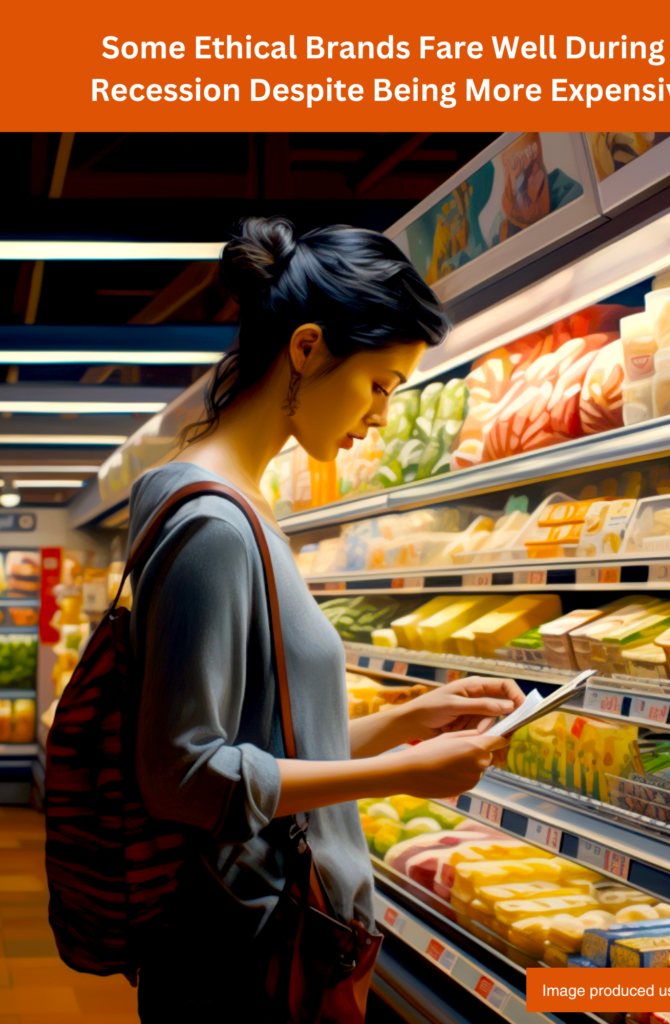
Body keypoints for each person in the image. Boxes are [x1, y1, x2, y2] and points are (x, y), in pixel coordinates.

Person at [128, 216, 521, 1021]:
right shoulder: (213, 523)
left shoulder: (238, 506)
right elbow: (184, 777)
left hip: (277, 943)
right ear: (306, 348)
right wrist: (402, 774)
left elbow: (266, 751)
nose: (380, 415)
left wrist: (409, 722)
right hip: (255, 962)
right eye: (379, 383)